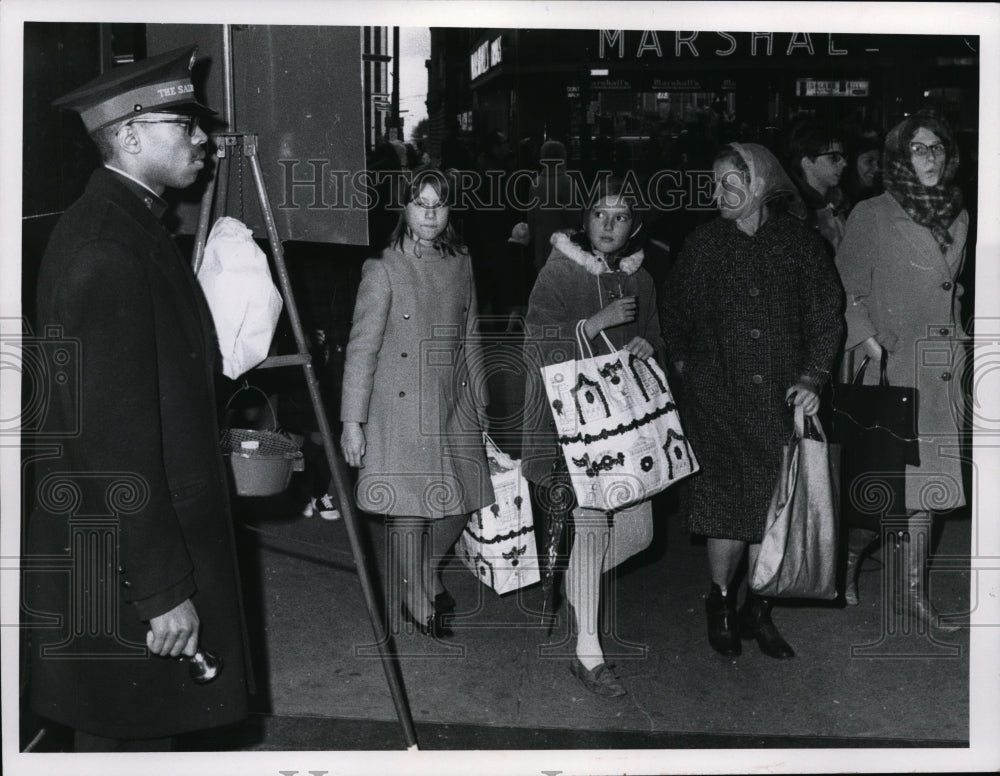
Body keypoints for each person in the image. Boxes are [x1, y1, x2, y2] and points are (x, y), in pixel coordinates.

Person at [25, 47, 251, 751]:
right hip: (129, 568)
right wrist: (160, 591)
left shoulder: (129, 228)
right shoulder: (107, 251)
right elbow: (111, 445)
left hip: (128, 554)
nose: (200, 139)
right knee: (127, 746)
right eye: (180, 123)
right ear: (126, 135)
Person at [662, 143, 844, 659]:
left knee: (772, 508)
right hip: (716, 402)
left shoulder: (800, 245)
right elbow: (674, 317)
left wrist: (812, 378)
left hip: (782, 404)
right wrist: (686, 370)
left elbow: (827, 316)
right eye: (715, 183)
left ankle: (758, 607)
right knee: (725, 508)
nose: (718, 192)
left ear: (760, 183)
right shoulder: (703, 246)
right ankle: (719, 602)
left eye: (729, 182)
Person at [522, 177, 662, 697]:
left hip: (624, 431)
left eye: (620, 217)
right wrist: (590, 325)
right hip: (570, 431)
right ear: (584, 221)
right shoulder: (557, 273)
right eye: (600, 215)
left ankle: (569, 583)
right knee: (592, 529)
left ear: (635, 227)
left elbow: (657, 340)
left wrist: (651, 346)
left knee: (638, 533)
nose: (608, 225)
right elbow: (535, 345)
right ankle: (588, 652)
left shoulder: (640, 279)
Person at [340, 166, 494, 637]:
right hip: (400, 406)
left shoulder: (461, 261)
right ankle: (411, 594)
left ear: (449, 210)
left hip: (453, 400)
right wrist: (353, 421)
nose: (430, 215)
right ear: (404, 210)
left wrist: (482, 398)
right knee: (409, 509)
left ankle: (425, 570)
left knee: (462, 501)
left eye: (439, 205)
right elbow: (361, 349)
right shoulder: (383, 268)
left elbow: (472, 334)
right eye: (420, 205)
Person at [834, 112, 967, 631]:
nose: (929, 158)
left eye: (936, 148)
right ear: (898, 158)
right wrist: (866, 337)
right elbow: (845, 288)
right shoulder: (872, 213)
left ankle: (910, 594)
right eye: (918, 149)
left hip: (938, 367)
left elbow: (949, 288)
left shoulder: (959, 215)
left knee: (927, 487)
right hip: (889, 365)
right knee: (886, 483)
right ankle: (846, 562)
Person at [788, 120, 850, 253]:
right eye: (834, 157)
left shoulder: (838, 203)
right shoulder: (797, 211)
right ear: (807, 162)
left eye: (843, 157)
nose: (844, 164)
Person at [527, 140, 579, 273]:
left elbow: (531, 220)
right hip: (563, 247)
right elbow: (573, 219)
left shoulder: (535, 183)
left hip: (541, 245)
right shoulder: (567, 182)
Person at [843, 131, 883, 210]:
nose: (877, 168)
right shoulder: (839, 202)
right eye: (869, 161)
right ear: (852, 162)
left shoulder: (874, 196)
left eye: (878, 162)